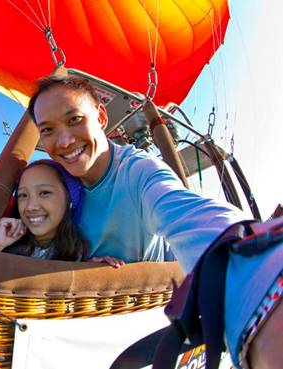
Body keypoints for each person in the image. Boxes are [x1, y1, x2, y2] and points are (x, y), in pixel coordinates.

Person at [26, 75, 281, 369]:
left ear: (101, 116)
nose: (64, 141)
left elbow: (187, 214)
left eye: (74, 119)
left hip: (139, 326)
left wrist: (257, 277)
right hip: (78, 330)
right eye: (48, 130)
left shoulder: (139, 171)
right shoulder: (54, 184)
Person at [0, 159, 124, 266]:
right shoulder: (4, 243)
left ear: (70, 198)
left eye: (45, 193)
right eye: (23, 195)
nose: (30, 207)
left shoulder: (80, 252)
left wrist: (86, 272)